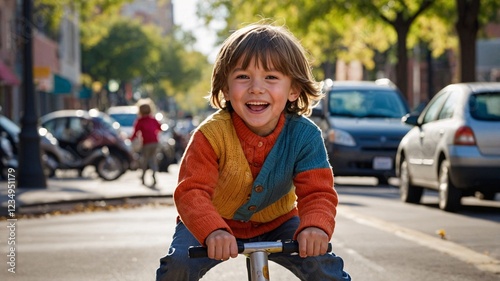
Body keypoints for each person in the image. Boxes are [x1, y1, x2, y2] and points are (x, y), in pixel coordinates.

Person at [156, 23, 351, 281]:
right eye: (242, 77)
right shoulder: (211, 135)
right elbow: (191, 192)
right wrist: (212, 230)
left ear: (293, 90)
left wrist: (315, 227)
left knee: (321, 264)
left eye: (271, 77)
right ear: (225, 88)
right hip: (213, 221)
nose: (256, 88)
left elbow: (317, 191)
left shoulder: (305, 136)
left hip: (278, 222)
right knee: (179, 264)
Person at [130, 98, 161, 187]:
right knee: (153, 160)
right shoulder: (153, 119)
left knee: (145, 160)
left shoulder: (140, 121)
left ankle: (143, 177)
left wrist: (130, 140)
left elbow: (135, 133)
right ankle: (154, 177)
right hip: (155, 142)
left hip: (146, 143)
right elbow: (160, 128)